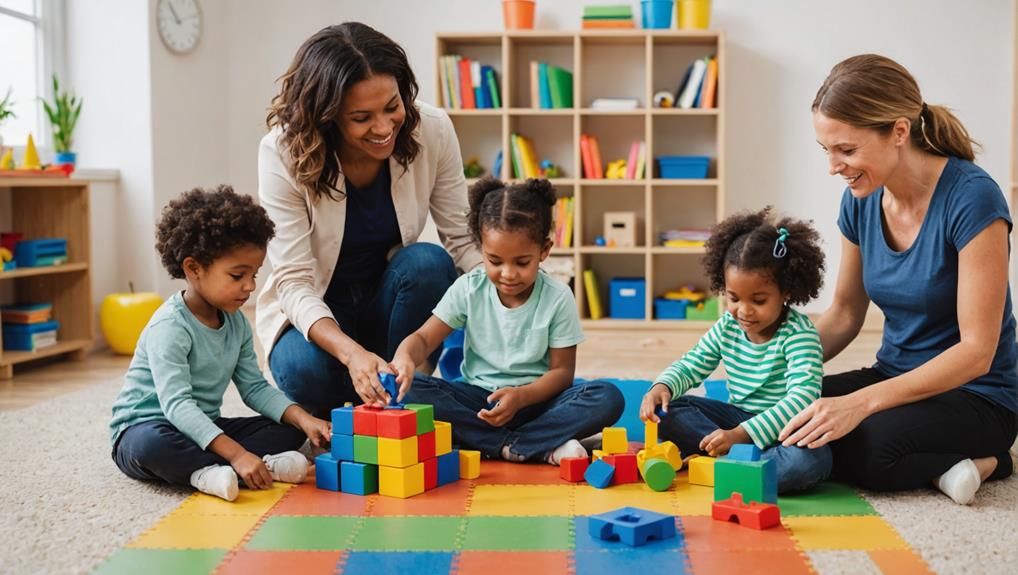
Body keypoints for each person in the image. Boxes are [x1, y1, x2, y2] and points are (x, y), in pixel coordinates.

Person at [780, 54, 1018, 505]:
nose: (834, 166)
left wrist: (862, 402)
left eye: (846, 150)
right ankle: (942, 466)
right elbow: (845, 313)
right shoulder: (861, 199)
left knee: (869, 446)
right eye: (826, 149)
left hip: (977, 395)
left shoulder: (973, 200)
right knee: (782, 413)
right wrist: (775, 363)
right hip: (893, 375)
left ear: (900, 132)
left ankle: (995, 459)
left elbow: (976, 352)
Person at [257, 22, 483, 417]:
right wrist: (352, 354)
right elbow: (293, 281)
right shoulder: (282, 151)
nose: (383, 128)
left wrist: (525, 300)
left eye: (392, 106)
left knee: (429, 263)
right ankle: (384, 388)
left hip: (390, 302)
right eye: (361, 117)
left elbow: (463, 242)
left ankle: (393, 381)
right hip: (318, 315)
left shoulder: (432, 129)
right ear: (326, 116)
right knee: (302, 373)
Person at [110, 186, 332, 502]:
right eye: (237, 275)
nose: (250, 286)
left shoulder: (237, 323)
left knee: (289, 430)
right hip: (145, 427)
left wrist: (304, 419)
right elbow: (176, 406)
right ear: (194, 268)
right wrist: (238, 453)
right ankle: (232, 468)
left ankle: (222, 470)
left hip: (203, 426)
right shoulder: (169, 327)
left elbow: (255, 388)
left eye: (254, 275)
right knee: (150, 447)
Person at [392, 177, 625, 465]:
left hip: (538, 401)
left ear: (545, 250)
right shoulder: (469, 287)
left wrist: (522, 396)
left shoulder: (558, 296)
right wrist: (404, 357)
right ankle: (531, 444)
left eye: (522, 262)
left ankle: (502, 442)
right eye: (495, 261)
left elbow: (562, 373)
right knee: (411, 389)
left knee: (608, 396)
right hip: (480, 402)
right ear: (481, 248)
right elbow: (424, 339)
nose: (508, 274)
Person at [640, 208, 831, 492]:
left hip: (784, 430)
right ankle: (740, 465)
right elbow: (693, 363)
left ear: (786, 292)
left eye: (759, 300)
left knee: (809, 462)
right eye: (733, 297)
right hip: (736, 417)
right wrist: (663, 385)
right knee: (669, 410)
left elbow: (802, 400)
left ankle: (722, 462)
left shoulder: (799, 334)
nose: (743, 311)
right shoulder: (728, 325)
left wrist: (741, 435)